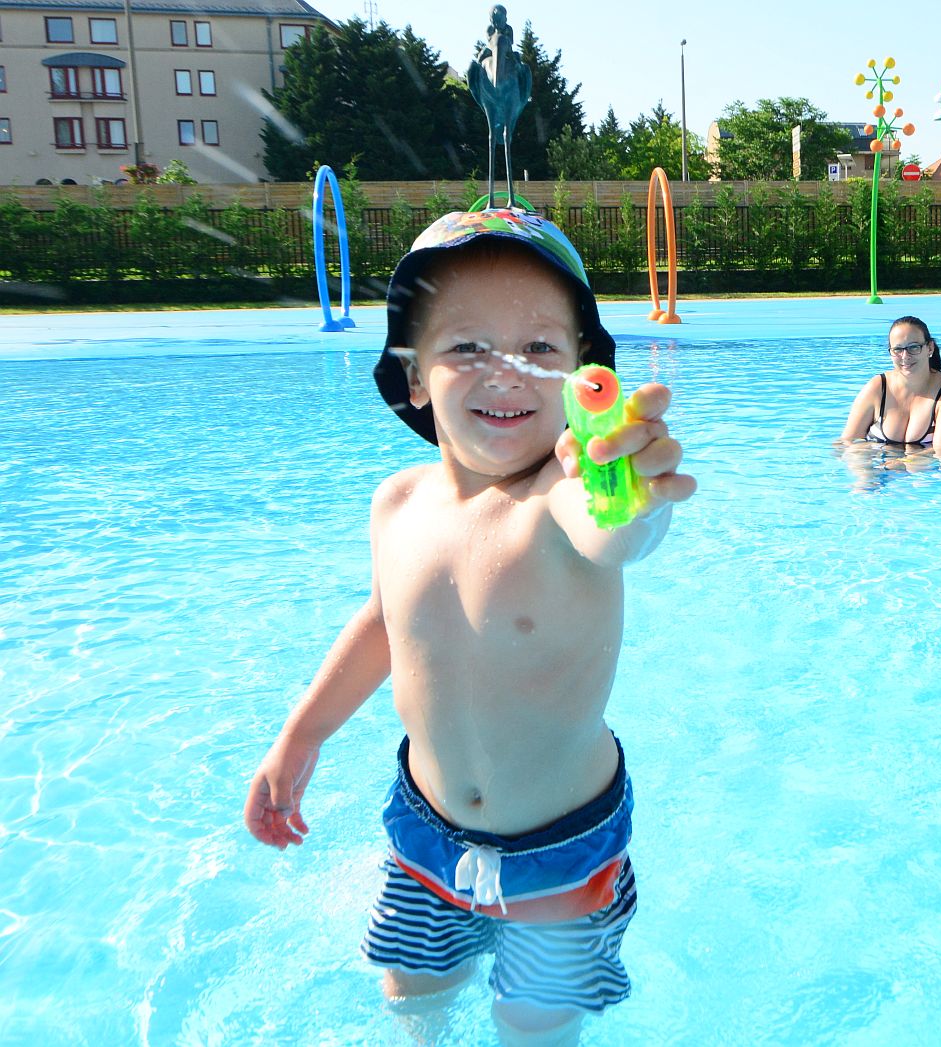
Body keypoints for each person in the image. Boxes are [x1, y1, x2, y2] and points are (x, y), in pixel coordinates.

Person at [242, 208, 695, 1046]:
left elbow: (619, 533)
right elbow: (385, 623)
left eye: (541, 350)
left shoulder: (561, 506)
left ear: (584, 380)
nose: (506, 372)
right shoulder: (398, 504)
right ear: (413, 375)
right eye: (467, 347)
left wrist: (626, 486)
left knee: (533, 1026)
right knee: (413, 995)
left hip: (563, 853)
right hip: (425, 833)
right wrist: (300, 736)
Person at [840, 316, 941, 455]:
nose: (905, 356)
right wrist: (865, 473)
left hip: (926, 474)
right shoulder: (877, 387)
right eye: (898, 349)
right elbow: (848, 442)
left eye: (913, 347)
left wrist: (901, 463)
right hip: (878, 472)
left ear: (930, 348)